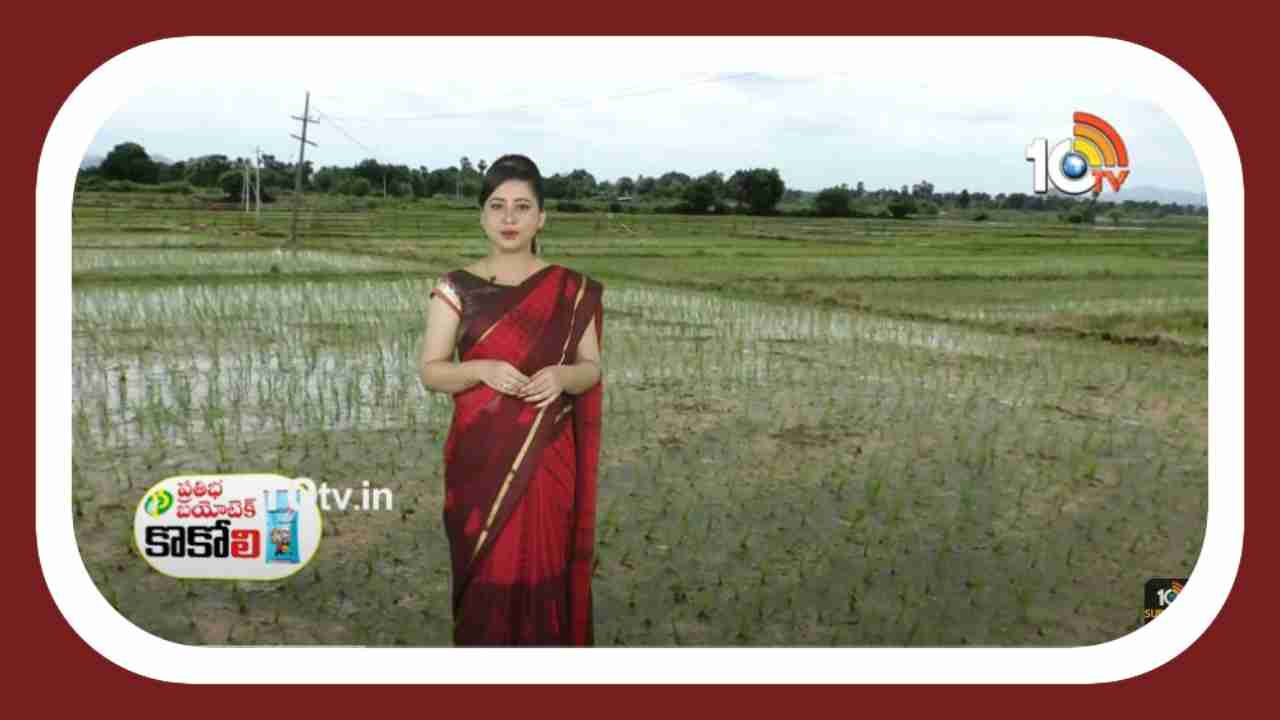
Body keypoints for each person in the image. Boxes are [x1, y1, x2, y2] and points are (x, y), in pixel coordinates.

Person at [418, 154, 604, 646]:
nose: (509, 218)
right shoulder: (454, 287)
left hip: (547, 460)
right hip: (479, 458)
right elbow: (432, 372)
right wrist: (480, 369)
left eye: (522, 207)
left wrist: (564, 377)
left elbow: (591, 368)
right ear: (482, 215)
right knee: (487, 576)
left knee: (545, 565)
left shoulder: (571, 289)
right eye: (497, 206)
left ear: (541, 218)